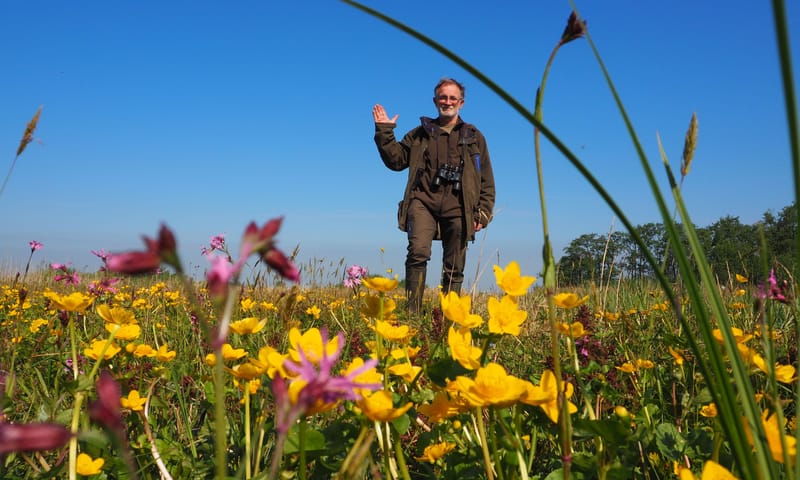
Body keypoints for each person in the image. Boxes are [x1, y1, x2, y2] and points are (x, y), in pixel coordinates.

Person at [372, 78, 496, 314]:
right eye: (443, 97)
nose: (447, 102)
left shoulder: (474, 137)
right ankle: (413, 313)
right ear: (435, 100)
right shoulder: (420, 133)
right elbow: (396, 161)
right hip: (423, 201)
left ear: (461, 102)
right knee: (417, 253)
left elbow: (486, 178)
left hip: (460, 205)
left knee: (454, 265)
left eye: (452, 98)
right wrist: (385, 131)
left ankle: (449, 316)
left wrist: (483, 212)